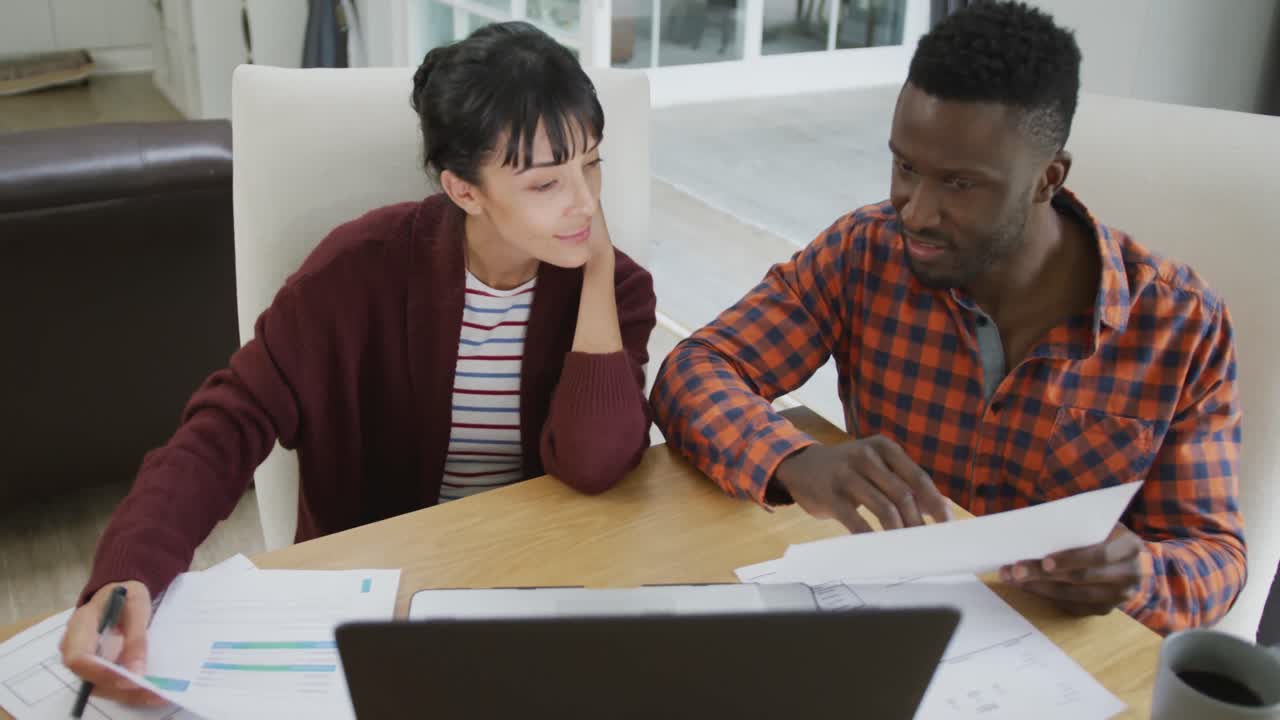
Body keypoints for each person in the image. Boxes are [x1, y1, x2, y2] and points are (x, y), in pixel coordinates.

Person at [60, 21, 656, 705]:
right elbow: (224, 427)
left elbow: (595, 462)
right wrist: (128, 571)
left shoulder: (614, 291)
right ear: (465, 191)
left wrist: (600, 269)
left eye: (593, 163)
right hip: (375, 607)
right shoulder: (355, 271)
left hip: (533, 588)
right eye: (547, 183)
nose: (585, 202)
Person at [651, 0, 1244, 636]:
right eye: (906, 166)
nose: (916, 211)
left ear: (1048, 179)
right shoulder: (865, 252)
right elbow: (695, 369)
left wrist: (1139, 574)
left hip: (1060, 655)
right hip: (885, 631)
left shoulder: (1181, 327)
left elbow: (1214, 555)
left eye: (959, 184)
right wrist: (794, 461)